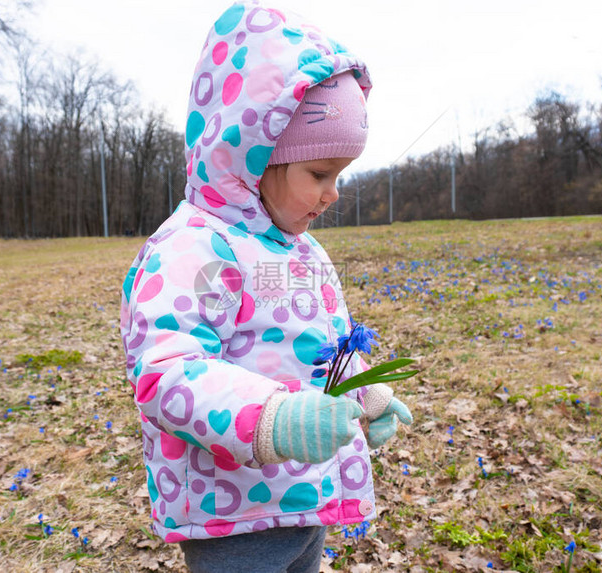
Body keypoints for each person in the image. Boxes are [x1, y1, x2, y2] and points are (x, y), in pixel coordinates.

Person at [119, 2, 412, 571]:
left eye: (340, 175)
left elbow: (323, 349)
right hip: (235, 511)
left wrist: (361, 393)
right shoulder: (194, 250)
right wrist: (272, 419)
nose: (333, 194)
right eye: (319, 174)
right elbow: (167, 370)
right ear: (255, 158)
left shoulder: (300, 251)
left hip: (303, 498)